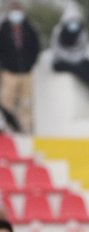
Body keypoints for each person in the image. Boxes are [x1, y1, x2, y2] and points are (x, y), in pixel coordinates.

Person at [50, 4, 89, 100]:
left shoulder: (82, 32)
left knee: (88, 65)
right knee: (76, 68)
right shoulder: (58, 32)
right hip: (62, 61)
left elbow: (83, 49)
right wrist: (71, 59)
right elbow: (57, 50)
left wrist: (76, 59)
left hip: (78, 59)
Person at [0, 2, 41, 134]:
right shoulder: (4, 29)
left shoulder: (30, 29)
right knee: (7, 101)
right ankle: (7, 128)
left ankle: (26, 130)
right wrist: (5, 64)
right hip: (10, 72)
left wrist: (30, 63)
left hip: (26, 71)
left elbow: (36, 48)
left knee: (26, 102)